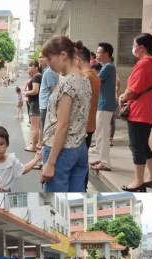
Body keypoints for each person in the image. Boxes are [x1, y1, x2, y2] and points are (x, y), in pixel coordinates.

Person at [40, 37, 92, 192]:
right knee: (75, 201)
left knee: (55, 204)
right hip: (80, 147)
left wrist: (50, 163)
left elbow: (62, 125)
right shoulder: (84, 79)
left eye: (50, 58)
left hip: (61, 150)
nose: (48, 63)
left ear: (62, 55)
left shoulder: (67, 84)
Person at [118, 33, 152, 191]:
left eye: (133, 44)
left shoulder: (144, 63)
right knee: (144, 145)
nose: (132, 48)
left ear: (141, 47)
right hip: (149, 111)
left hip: (138, 112)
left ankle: (138, 181)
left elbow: (133, 89)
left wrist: (123, 96)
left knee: (136, 146)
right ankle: (151, 177)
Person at [74, 41, 101, 190]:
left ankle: (80, 188)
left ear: (78, 59)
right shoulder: (93, 75)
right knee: (82, 160)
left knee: (79, 163)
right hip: (88, 125)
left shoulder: (85, 77)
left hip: (82, 127)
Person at [90, 42, 117, 172]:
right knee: (100, 133)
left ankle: (105, 162)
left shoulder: (108, 67)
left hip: (105, 105)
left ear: (106, 54)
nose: (97, 54)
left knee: (103, 134)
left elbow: (95, 81)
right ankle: (102, 159)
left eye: (99, 52)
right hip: (103, 104)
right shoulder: (107, 67)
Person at [24, 61, 42, 152]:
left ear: (36, 67)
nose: (29, 68)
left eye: (30, 66)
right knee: (37, 126)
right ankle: (36, 144)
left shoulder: (36, 77)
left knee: (34, 126)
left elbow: (35, 91)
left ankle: (34, 146)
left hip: (35, 103)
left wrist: (26, 92)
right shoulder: (38, 76)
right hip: (36, 103)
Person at [38, 55, 59, 138]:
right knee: (44, 127)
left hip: (46, 104)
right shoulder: (47, 71)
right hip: (45, 104)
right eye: (39, 57)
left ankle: (43, 148)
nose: (40, 59)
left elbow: (53, 90)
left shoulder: (49, 72)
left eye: (42, 57)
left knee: (45, 128)